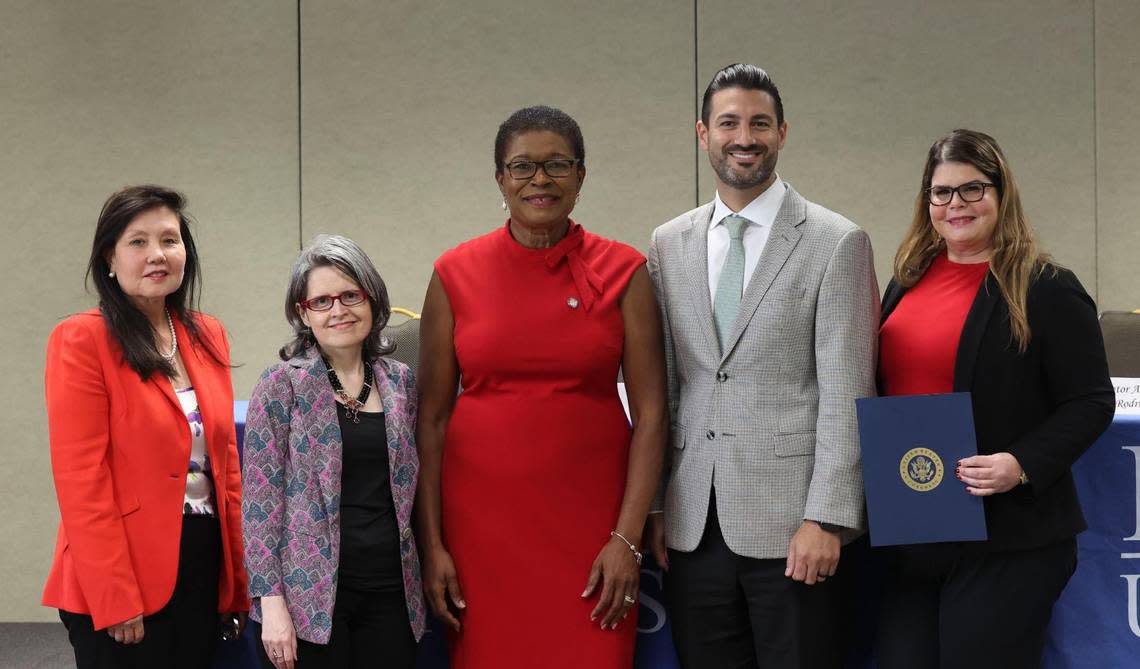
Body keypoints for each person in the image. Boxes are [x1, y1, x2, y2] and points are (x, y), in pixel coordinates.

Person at [415, 105, 667, 668]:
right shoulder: (454, 273)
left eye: (557, 164)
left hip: (593, 529)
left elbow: (652, 415)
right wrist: (432, 546)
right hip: (482, 530)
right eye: (523, 166)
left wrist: (626, 540)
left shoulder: (625, 271)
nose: (540, 180)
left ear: (581, 175)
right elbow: (429, 420)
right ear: (500, 179)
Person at [645, 63, 879, 669]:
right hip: (694, 525)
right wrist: (659, 508)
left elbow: (848, 390)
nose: (743, 137)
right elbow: (669, 384)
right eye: (728, 123)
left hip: (794, 527)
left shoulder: (836, 241)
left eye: (759, 123)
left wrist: (827, 517)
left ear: (782, 133)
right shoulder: (669, 243)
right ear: (703, 134)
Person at [874, 129, 1114, 669]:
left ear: (1002, 194)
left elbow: (1091, 402)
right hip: (914, 531)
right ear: (926, 201)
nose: (955, 204)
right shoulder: (907, 280)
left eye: (972, 189)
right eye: (941, 192)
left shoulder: (1046, 287)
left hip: (1008, 536)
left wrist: (1021, 464)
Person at [43, 185, 248, 669]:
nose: (157, 254)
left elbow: (226, 467)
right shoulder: (82, 339)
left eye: (169, 240)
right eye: (138, 242)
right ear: (109, 258)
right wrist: (115, 596)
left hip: (201, 562)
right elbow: (81, 481)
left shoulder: (206, 333)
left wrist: (236, 582)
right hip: (121, 572)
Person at [242, 235, 426, 669]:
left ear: (372, 300)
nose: (338, 310)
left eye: (349, 295)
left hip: (392, 591)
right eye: (321, 301)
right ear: (303, 313)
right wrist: (271, 604)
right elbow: (260, 506)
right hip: (310, 598)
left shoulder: (400, 382)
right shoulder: (281, 385)